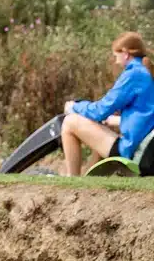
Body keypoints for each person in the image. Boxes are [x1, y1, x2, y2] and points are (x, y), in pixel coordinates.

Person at [61, 32, 154, 176]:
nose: (116, 60)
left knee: (70, 122)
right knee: (100, 125)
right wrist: (116, 120)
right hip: (141, 146)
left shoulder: (133, 75)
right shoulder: (144, 74)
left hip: (131, 150)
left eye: (116, 55)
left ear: (125, 53)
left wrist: (74, 107)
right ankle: (88, 181)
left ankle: (71, 178)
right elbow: (143, 115)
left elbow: (100, 110)